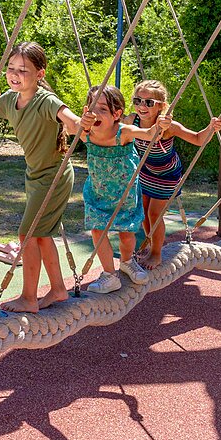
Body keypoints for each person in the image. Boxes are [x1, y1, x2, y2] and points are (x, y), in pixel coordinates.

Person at [0, 42, 81, 313]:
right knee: (40, 236)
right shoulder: (9, 100)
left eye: (23, 70)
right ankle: (58, 290)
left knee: (26, 234)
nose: (15, 74)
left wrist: (79, 124)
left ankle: (29, 297)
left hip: (55, 176)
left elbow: (69, 119)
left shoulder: (45, 100)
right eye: (11, 69)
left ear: (40, 74)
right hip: (34, 176)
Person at [79, 86, 168, 293]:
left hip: (124, 195)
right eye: (92, 108)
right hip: (97, 193)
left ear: (117, 114)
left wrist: (160, 126)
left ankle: (127, 262)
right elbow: (68, 127)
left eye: (102, 109)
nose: (96, 113)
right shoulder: (86, 132)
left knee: (126, 235)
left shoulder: (124, 132)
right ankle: (110, 275)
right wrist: (80, 124)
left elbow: (148, 133)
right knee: (97, 232)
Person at [129, 80, 221, 269]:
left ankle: (156, 254)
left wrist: (212, 128)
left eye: (149, 103)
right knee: (144, 213)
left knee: (154, 213)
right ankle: (151, 243)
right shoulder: (132, 121)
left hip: (167, 175)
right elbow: (114, 128)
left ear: (161, 107)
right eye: (137, 100)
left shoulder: (168, 126)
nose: (142, 106)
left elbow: (198, 139)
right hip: (146, 170)